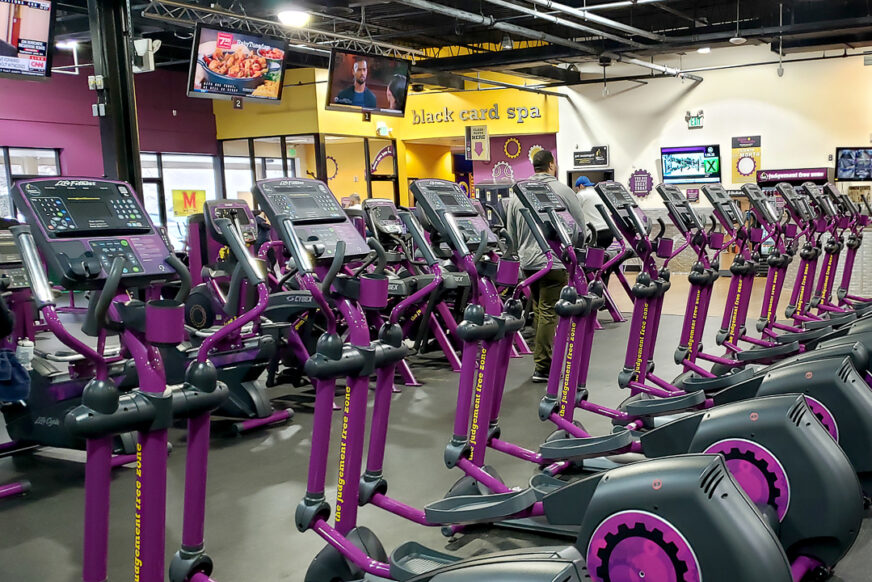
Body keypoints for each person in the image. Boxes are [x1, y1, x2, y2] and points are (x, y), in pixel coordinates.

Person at [507, 150, 588, 383]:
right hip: (554, 260)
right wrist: (576, 253)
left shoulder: (517, 193)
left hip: (528, 262)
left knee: (540, 309)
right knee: (548, 311)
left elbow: (511, 232)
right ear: (552, 165)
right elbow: (580, 227)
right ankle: (543, 367)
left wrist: (519, 254)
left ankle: (544, 360)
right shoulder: (563, 190)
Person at [575, 176, 613, 249]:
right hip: (610, 231)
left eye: (577, 189)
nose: (577, 191)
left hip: (595, 233)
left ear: (581, 186)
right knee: (602, 254)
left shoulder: (581, 194)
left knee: (586, 253)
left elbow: (575, 212)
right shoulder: (599, 193)